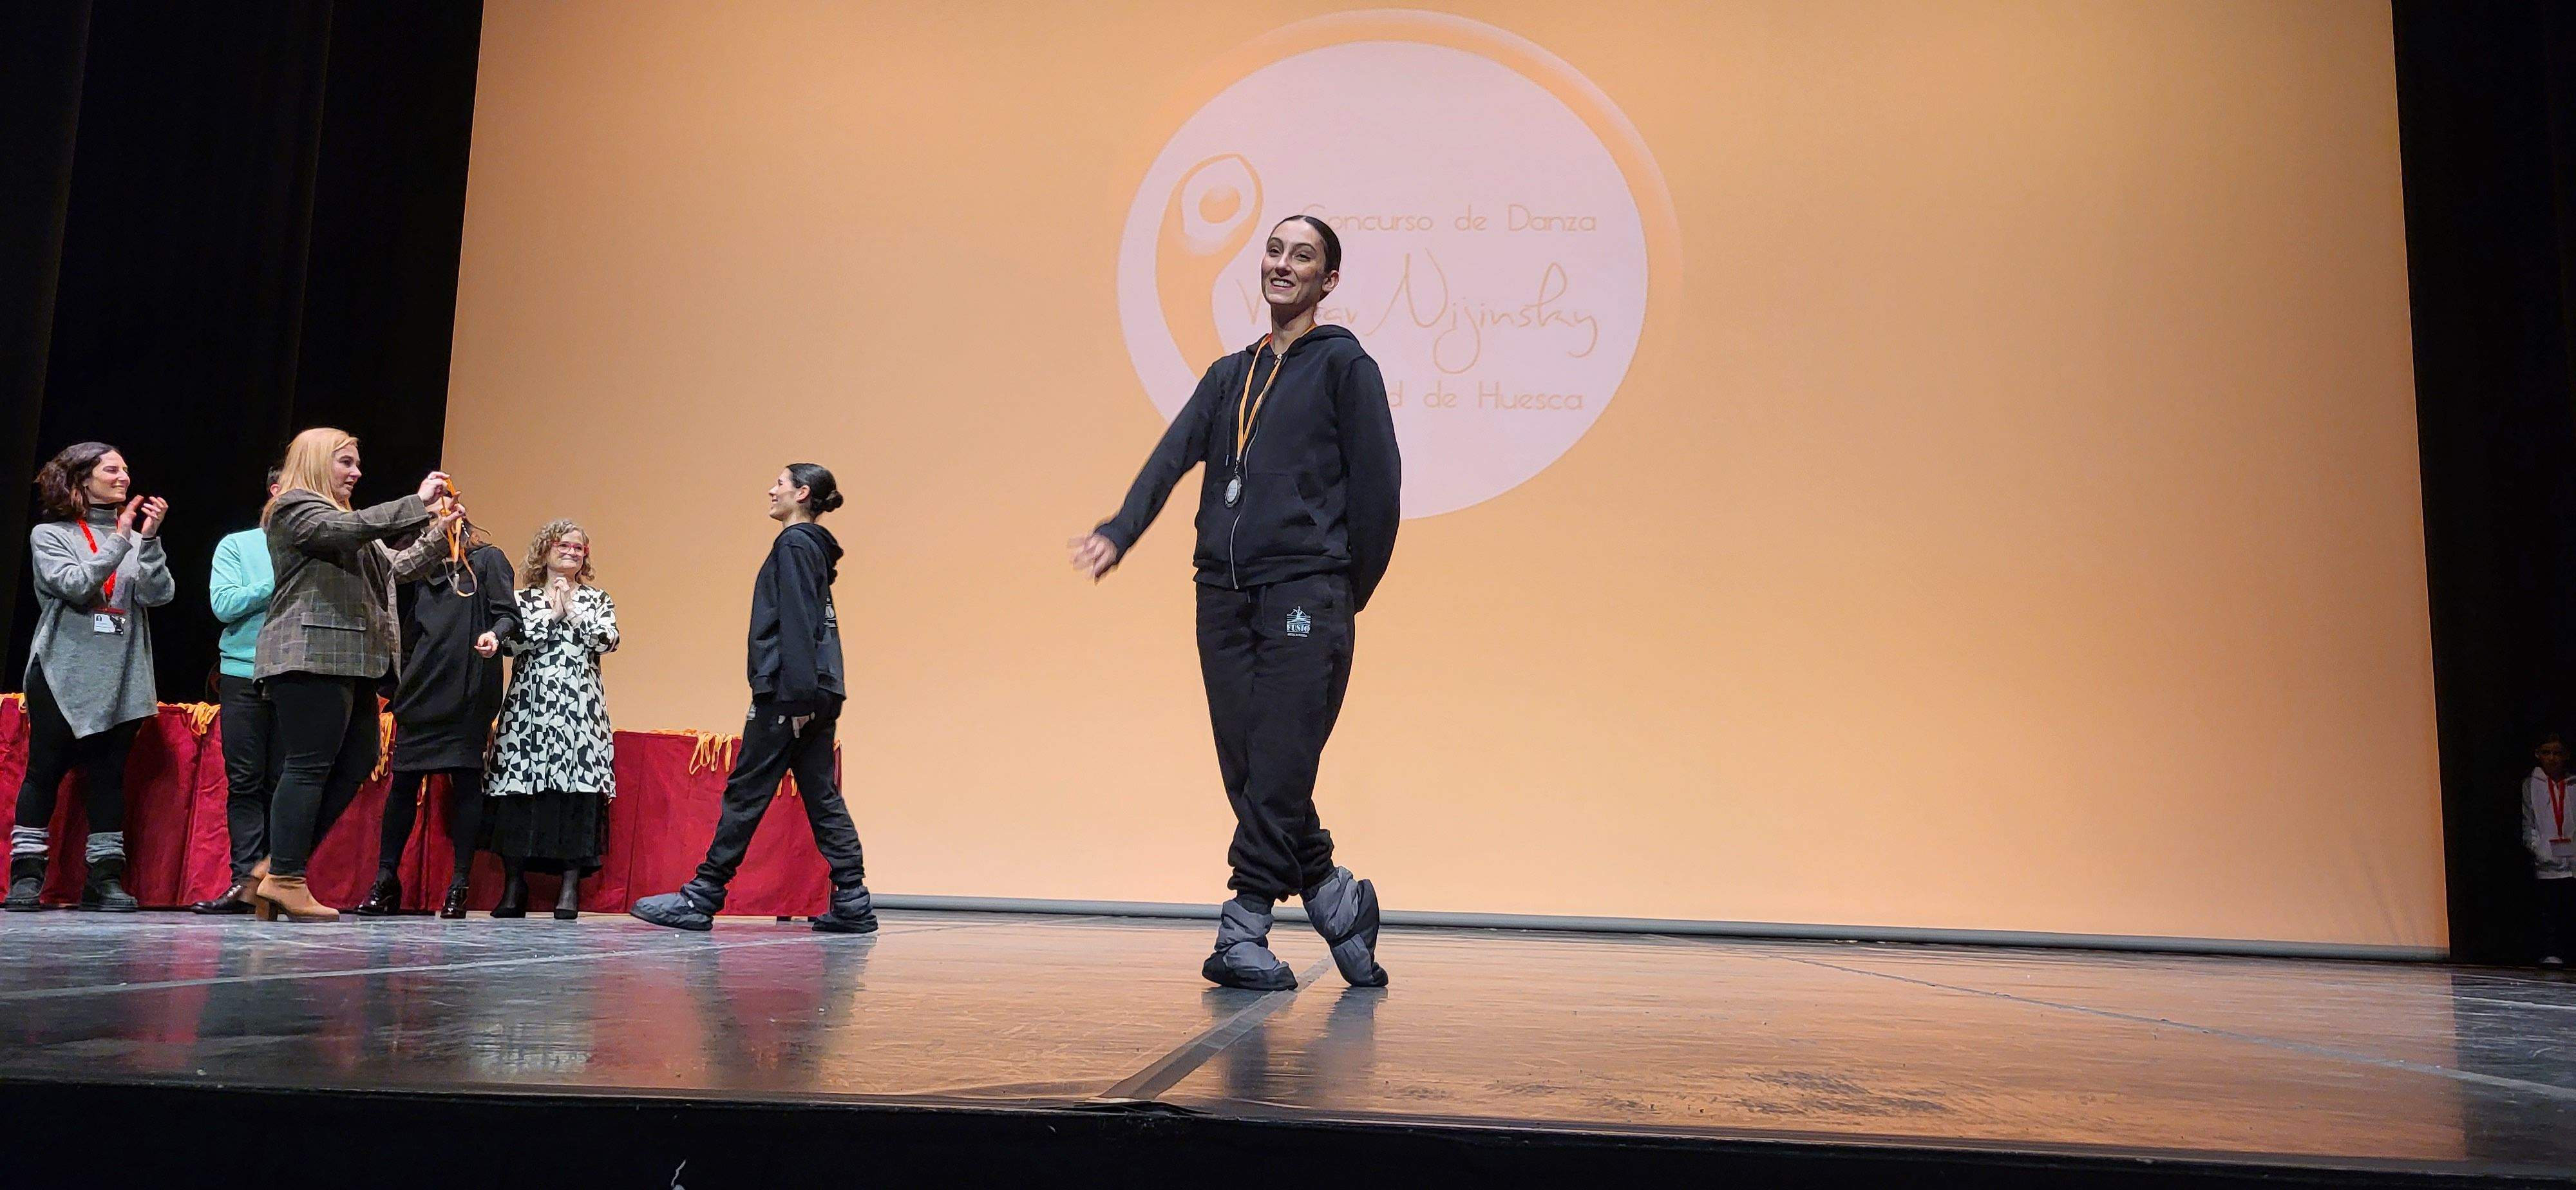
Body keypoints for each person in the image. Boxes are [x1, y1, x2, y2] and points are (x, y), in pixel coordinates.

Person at [1067, 214, 1400, 989]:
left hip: (1306, 592)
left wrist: (1345, 592)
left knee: (1279, 762)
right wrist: (1120, 531)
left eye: (1302, 256)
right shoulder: (1229, 375)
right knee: (1254, 772)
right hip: (1220, 593)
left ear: (1329, 280)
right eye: (1275, 252)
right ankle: (1334, 898)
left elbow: (1380, 492)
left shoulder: (1347, 369)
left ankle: (1243, 925)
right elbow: (1172, 454)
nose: (1282, 265)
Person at [632, 464, 875, 934]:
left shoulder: (794, 544)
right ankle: (853, 898)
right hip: (817, 687)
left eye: (780, 483)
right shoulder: (811, 549)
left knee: (747, 790)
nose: (770, 489)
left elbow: (799, 621)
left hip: (792, 692)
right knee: (820, 792)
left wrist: (795, 694)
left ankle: (701, 896)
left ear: (802, 493)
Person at [254, 427, 455, 922]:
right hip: (311, 653)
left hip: (353, 662)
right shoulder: (296, 507)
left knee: (357, 759)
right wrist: (416, 502)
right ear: (319, 462)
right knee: (308, 765)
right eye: (346, 462)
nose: (357, 472)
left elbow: (395, 567)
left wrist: (440, 530)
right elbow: (348, 532)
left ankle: (278, 867)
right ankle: (285, 876)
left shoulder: (345, 521)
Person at [6, 442, 175, 912]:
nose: (124, 478)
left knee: (108, 777)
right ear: (82, 480)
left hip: (121, 674)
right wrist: (121, 540)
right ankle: (26, 877)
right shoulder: (50, 534)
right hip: (63, 670)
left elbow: (160, 595)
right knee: (44, 771)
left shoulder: (135, 537)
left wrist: (151, 540)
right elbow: (78, 586)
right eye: (112, 470)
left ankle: (103, 880)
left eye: (126, 469)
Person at [354, 516, 518, 920]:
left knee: (464, 782)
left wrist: (494, 636)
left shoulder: (488, 561)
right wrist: (395, 683)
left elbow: (509, 615)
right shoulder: (425, 572)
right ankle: (386, 880)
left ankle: (459, 884)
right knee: (404, 783)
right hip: (422, 689)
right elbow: (410, 636)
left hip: (465, 689)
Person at [483, 520, 617, 920]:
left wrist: (572, 613)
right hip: (529, 710)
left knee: (577, 796)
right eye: (565, 545)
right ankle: (513, 888)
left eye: (580, 548)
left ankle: (569, 889)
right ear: (546, 550)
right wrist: (550, 616)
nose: (573, 552)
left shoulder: (596, 599)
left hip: (581, 714)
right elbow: (511, 644)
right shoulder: (521, 600)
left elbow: (608, 640)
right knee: (518, 795)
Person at [193, 466, 282, 914]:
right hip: (244, 672)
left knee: (285, 781)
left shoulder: (321, 545)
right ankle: (245, 881)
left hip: (296, 674)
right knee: (245, 780)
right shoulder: (238, 544)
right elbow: (224, 605)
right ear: (274, 489)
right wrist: (278, 579)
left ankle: (280, 880)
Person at [2526, 732, 2576, 966]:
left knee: (2570, 907)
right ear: (2538, 755)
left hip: (2573, 859)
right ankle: (2551, 951)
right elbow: (2529, 822)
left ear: (2566, 756)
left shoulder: (2574, 785)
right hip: (2546, 860)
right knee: (2549, 909)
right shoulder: (2531, 785)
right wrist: (2538, 849)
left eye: (2557, 753)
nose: (2552, 759)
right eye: (2546, 753)